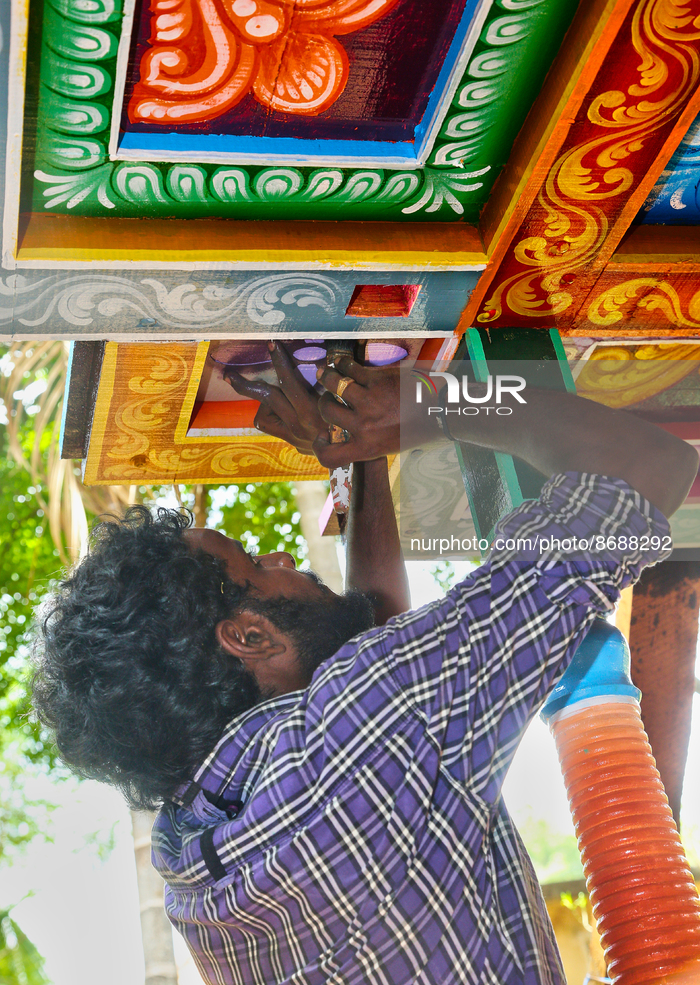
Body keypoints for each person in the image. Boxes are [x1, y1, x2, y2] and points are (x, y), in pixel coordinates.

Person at [32, 343, 697, 985]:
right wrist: (436, 404)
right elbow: (644, 469)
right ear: (250, 638)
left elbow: (371, 671)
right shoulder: (364, 728)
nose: (282, 561)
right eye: (256, 564)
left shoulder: (192, 858)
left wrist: (361, 460)